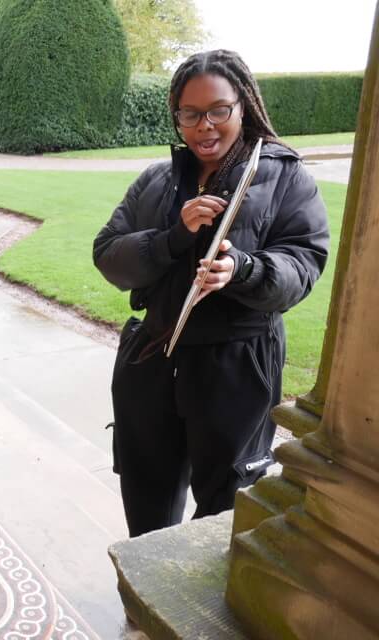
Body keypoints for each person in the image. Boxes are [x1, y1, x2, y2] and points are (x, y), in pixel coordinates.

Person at [93, 50, 330, 537]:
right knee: (146, 491)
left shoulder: (285, 177)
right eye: (190, 114)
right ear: (176, 116)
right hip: (154, 354)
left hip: (236, 363)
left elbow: (303, 263)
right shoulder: (157, 180)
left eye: (218, 110)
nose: (205, 126)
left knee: (224, 503)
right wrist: (171, 238)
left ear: (242, 105)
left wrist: (242, 268)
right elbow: (109, 256)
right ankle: (145, 596)